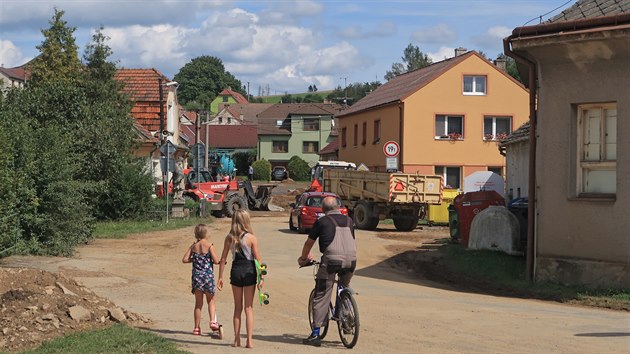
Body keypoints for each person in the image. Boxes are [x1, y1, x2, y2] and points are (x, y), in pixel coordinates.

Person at [297, 196, 356, 347]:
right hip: (351, 261)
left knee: (322, 294)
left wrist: (304, 259)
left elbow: (309, 243)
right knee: (344, 286)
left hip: (331, 262)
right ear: (338, 207)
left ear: (323, 209)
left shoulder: (322, 222)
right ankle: (347, 316)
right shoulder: (349, 221)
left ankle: (316, 334)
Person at [217, 209, 264, 348]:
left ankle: (236, 339)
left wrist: (220, 276)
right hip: (249, 271)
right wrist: (261, 278)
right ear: (246, 221)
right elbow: (258, 260)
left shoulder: (229, 238)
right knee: (248, 308)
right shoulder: (251, 238)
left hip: (236, 270)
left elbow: (223, 258)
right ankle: (249, 340)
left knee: (237, 308)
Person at [182, 224, 220, 335]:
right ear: (206, 234)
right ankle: (212, 321)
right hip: (208, 276)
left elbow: (184, 259)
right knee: (211, 300)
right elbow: (216, 260)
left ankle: (196, 328)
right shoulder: (209, 245)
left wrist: (194, 260)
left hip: (197, 277)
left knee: (198, 304)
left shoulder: (193, 246)